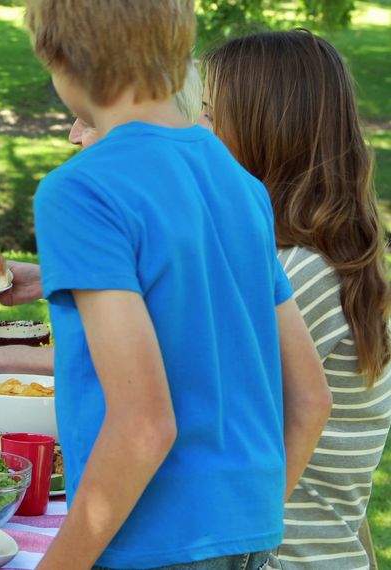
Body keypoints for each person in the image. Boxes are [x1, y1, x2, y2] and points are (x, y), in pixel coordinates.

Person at [21, 1, 332, 568]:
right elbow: (311, 400)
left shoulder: (79, 189)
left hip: (145, 544)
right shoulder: (239, 182)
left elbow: (144, 423)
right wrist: (248, 523)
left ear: (61, 58)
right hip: (250, 537)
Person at [203, 29, 390, 569]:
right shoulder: (317, 257)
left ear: (268, 132)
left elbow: (169, 386)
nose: (194, 132)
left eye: (211, 115)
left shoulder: (298, 272)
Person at [0, 60, 203, 383]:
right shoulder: (202, 194)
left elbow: (116, 361)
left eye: (88, 120)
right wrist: (49, 280)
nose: (73, 135)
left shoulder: (93, 200)